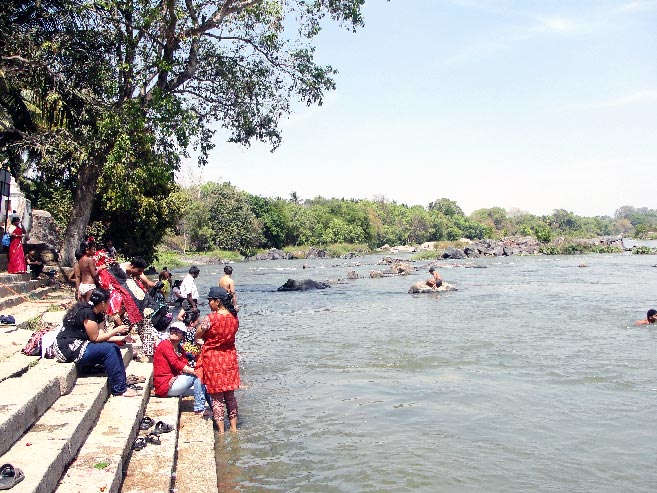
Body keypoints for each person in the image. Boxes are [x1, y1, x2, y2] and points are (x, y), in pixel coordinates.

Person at [53, 288, 138, 397]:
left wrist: (122, 338)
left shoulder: (99, 313)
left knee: (114, 348)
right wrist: (116, 330)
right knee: (109, 350)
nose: (110, 304)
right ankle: (119, 389)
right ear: (102, 303)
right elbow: (95, 338)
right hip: (68, 348)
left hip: (82, 344)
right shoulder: (87, 312)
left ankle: (121, 383)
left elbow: (102, 336)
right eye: (108, 302)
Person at [195, 286, 240, 434]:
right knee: (230, 396)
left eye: (210, 301)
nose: (209, 303)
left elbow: (198, 335)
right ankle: (234, 429)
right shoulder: (234, 318)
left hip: (214, 360)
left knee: (217, 399)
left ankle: (221, 432)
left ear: (218, 302)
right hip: (230, 359)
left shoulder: (211, 319)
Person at [153, 321, 209, 414]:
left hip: (175, 381)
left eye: (177, 331)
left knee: (206, 387)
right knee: (198, 376)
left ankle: (216, 412)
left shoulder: (179, 348)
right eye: (172, 330)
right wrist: (195, 371)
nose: (174, 332)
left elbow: (184, 363)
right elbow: (176, 364)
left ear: (183, 335)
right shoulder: (165, 345)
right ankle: (199, 408)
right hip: (166, 385)